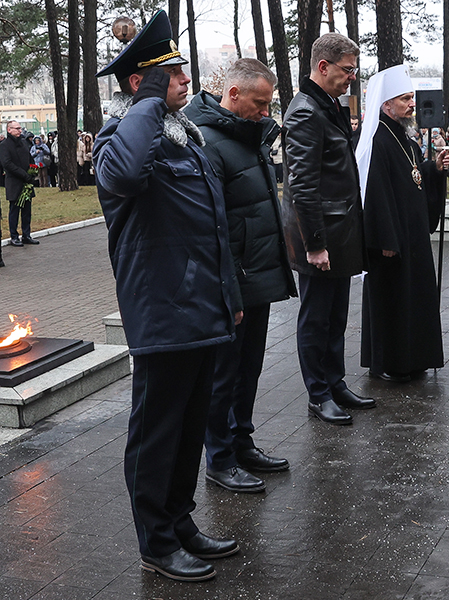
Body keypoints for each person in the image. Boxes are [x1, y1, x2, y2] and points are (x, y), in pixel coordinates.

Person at [93, 10, 242, 583]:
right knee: (157, 430)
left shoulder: (188, 138)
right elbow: (126, 176)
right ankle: (155, 540)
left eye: (180, 70)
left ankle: (180, 523)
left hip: (203, 308)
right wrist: (148, 104)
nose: (185, 79)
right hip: (161, 311)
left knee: (188, 426)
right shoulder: (121, 138)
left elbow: (213, 228)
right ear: (141, 83)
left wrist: (229, 294)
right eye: (171, 73)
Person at [184, 58, 298, 493]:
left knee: (247, 369)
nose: (266, 112)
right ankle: (220, 458)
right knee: (223, 376)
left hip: (256, 273)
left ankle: (241, 441)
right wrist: (227, 291)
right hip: (232, 279)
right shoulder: (209, 143)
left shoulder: (246, 133)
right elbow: (211, 227)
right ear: (233, 95)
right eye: (260, 103)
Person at [281, 33, 375, 426]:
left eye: (354, 70)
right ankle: (318, 394)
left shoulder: (328, 105)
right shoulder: (305, 111)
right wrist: (314, 245)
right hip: (319, 236)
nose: (352, 77)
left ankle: (334, 381)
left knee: (336, 315)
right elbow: (302, 185)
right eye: (348, 69)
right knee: (316, 317)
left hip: (337, 231)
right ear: (323, 67)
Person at [355, 64, 449, 382]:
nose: (413, 103)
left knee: (415, 299)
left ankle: (414, 358)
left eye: (412, 97)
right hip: (391, 242)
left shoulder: (405, 138)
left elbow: (412, 176)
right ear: (386, 105)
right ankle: (390, 362)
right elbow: (375, 192)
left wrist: (433, 168)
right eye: (405, 98)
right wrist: (385, 239)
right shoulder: (376, 141)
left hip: (412, 240)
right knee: (392, 302)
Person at [1, 121, 39, 248]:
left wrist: (33, 170)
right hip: (14, 181)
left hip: (26, 181)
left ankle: (26, 235)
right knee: (14, 210)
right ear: (9, 129)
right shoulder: (4, 145)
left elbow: (29, 158)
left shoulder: (23, 142)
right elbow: (7, 164)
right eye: (16, 128)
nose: (19, 131)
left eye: (20, 128)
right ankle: (14, 236)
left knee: (27, 210)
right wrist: (24, 174)